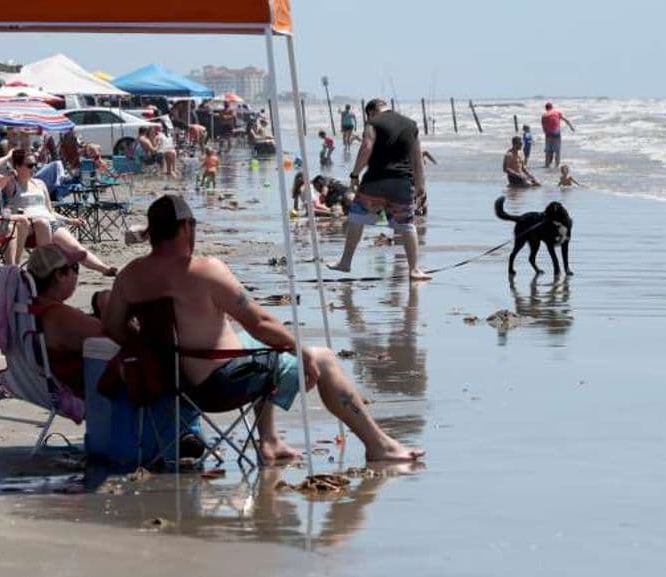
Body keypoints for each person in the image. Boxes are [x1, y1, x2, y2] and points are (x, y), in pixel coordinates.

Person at [104, 195, 425, 463]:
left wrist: (157, 350)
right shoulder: (204, 270)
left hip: (176, 385)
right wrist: (300, 351)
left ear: (153, 232)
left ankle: (269, 440)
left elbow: (113, 326)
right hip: (222, 385)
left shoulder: (130, 276)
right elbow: (260, 323)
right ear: (187, 228)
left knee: (258, 349)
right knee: (321, 358)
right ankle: (378, 445)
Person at [328, 99, 431, 281]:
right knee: (407, 224)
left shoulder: (373, 123)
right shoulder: (411, 125)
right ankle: (415, 269)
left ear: (371, 112)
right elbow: (417, 158)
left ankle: (345, 262)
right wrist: (420, 185)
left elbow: (366, 147)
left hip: (376, 181)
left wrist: (354, 174)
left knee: (357, 217)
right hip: (403, 182)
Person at [0, 150, 118, 276]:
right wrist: (7, 156)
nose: (34, 169)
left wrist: (70, 220)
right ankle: (47, 271)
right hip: (28, 226)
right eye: (29, 165)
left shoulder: (40, 184)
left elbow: (50, 211)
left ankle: (105, 269)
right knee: (41, 223)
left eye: (35, 165)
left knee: (76, 249)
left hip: (50, 222)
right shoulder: (11, 184)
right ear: (17, 166)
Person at [24, 245, 104, 397]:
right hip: (87, 391)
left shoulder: (26, 309)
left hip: (37, 385)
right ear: (60, 275)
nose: (76, 276)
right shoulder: (57, 316)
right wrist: (107, 306)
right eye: (75, 269)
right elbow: (115, 335)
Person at [541, 102, 575, 169]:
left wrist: (546, 134)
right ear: (552, 107)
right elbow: (566, 120)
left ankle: (547, 165)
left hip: (548, 135)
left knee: (548, 152)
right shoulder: (557, 113)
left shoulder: (544, 115)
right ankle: (557, 166)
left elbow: (543, 126)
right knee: (557, 151)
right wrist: (571, 127)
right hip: (556, 134)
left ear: (546, 108)